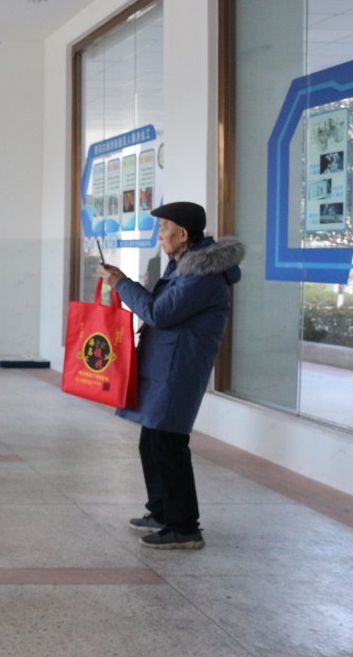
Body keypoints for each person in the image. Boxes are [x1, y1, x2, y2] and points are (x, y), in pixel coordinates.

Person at [97, 202, 244, 550]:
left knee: (169, 444)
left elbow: (159, 313)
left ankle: (184, 526)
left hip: (179, 368)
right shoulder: (182, 266)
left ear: (183, 234)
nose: (159, 234)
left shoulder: (201, 275)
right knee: (151, 442)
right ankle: (162, 512)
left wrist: (122, 283)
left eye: (164, 227)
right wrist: (122, 283)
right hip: (163, 364)